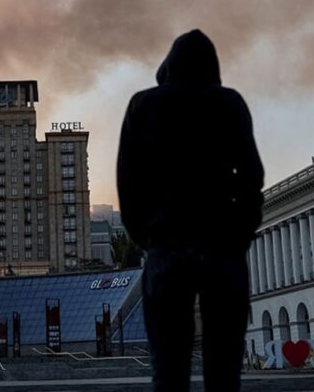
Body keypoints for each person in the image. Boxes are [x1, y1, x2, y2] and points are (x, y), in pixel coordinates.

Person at [117, 29, 264, 391]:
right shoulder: (230, 103)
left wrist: (149, 237)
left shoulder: (143, 105)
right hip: (222, 249)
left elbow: (128, 183)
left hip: (166, 247)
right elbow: (251, 177)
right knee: (225, 370)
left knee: (168, 371)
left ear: (169, 66)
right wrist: (240, 235)